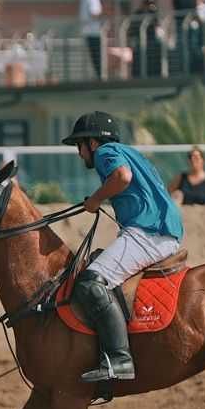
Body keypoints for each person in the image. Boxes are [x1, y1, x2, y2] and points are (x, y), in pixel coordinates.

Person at [63, 111, 184, 383]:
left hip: (149, 231)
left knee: (90, 282)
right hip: (160, 228)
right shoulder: (131, 152)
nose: (79, 153)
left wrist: (95, 200)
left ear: (92, 143)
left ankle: (119, 359)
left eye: (79, 146)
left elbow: (121, 176)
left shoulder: (106, 153)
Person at [79, 0, 105, 79]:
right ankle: (100, 77)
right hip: (93, 32)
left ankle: (99, 75)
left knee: (95, 56)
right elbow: (94, 14)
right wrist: (106, 13)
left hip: (87, 31)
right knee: (97, 56)